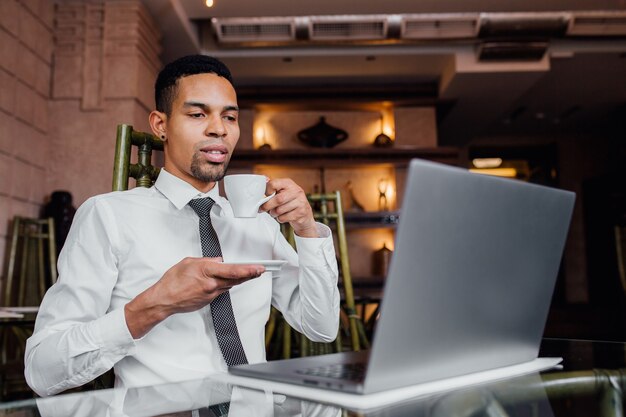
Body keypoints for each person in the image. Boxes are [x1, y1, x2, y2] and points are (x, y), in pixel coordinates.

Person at [24, 55, 340, 397]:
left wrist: (308, 229)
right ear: (161, 125)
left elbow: (321, 327)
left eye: (229, 117)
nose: (219, 128)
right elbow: (42, 370)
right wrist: (155, 304)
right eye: (198, 114)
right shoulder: (107, 216)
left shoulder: (258, 224)